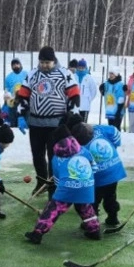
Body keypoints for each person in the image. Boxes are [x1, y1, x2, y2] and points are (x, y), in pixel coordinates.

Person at [15, 46, 81, 197]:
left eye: (47, 62)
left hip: (56, 125)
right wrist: (20, 115)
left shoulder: (65, 74)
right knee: (37, 155)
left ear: (54, 61)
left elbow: (74, 96)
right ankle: (41, 181)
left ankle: (53, 187)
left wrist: (70, 117)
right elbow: (23, 95)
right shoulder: (32, 74)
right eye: (42, 62)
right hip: (36, 124)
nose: (44, 65)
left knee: (54, 157)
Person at [24, 125, 99, 244]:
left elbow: (58, 180)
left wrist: (63, 191)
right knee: (85, 208)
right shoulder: (84, 151)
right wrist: (86, 181)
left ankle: (37, 233)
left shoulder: (56, 158)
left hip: (67, 189)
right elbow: (94, 168)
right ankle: (94, 230)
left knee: (53, 209)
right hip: (86, 186)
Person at [69, 116, 127, 227]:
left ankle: (92, 222)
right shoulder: (99, 128)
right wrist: (115, 145)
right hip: (114, 169)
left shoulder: (80, 147)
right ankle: (113, 217)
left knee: (94, 199)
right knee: (110, 195)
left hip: (100, 175)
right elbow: (114, 131)